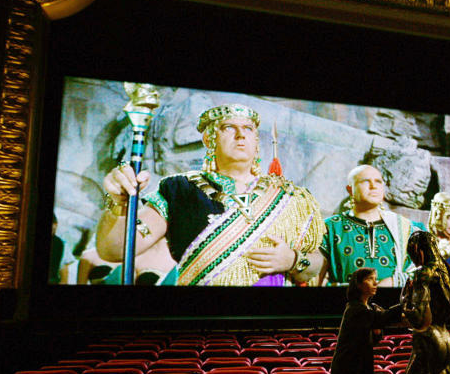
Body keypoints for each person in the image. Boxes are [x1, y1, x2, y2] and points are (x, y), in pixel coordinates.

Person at [97, 103, 325, 286]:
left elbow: (316, 263)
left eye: (248, 129)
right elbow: (114, 249)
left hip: (272, 323)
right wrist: (119, 204)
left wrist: (293, 260)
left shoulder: (291, 196)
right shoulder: (179, 190)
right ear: (209, 139)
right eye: (228, 128)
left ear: (257, 141)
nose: (240, 135)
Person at [319, 165, 425, 287]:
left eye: (378, 182)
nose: (373, 186)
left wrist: (394, 282)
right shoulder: (330, 227)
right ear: (350, 189)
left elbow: (426, 270)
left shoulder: (406, 228)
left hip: (393, 302)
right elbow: (315, 279)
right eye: (365, 181)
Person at [400, 230, 450, 374]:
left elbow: (419, 318)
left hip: (428, 341)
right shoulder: (447, 271)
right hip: (445, 338)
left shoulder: (422, 273)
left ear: (418, 250)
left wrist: (404, 301)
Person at [329, 267, 402, 374]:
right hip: (347, 369)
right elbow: (384, 318)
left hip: (361, 365)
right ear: (358, 285)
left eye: (376, 279)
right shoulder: (355, 309)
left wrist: (377, 330)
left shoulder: (369, 307)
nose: (375, 283)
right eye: (370, 279)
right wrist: (404, 303)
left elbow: (372, 337)